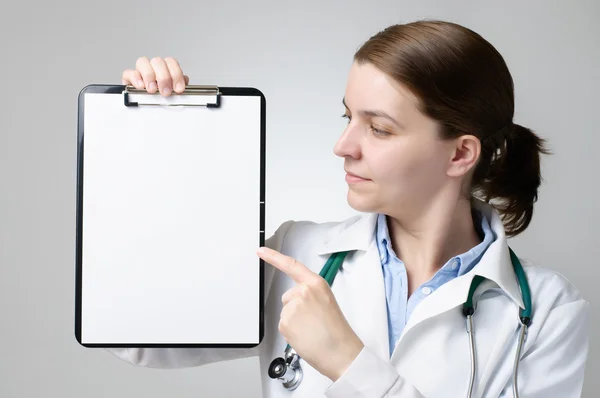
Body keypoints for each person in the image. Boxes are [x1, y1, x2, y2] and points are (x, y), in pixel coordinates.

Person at [107, 20, 590, 397]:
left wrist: (348, 363)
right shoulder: (295, 255)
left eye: (378, 128)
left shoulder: (545, 311)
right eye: (347, 117)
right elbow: (139, 339)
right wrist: (157, 140)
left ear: (460, 154)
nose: (343, 145)